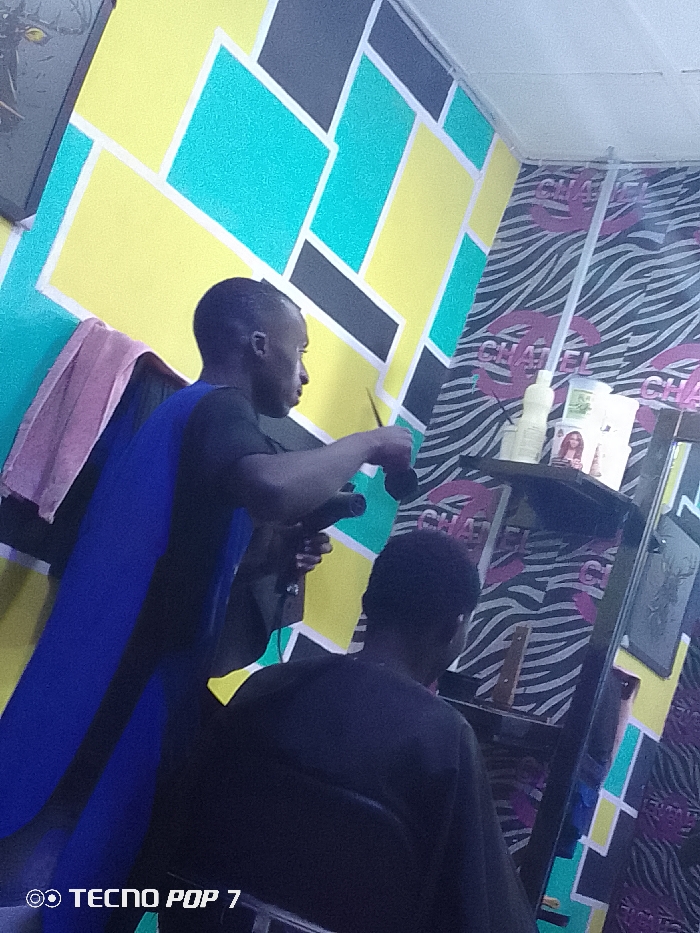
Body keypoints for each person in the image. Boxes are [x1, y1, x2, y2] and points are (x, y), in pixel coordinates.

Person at [0, 278, 412, 931]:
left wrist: (277, 556)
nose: (304, 373)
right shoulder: (221, 410)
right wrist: (369, 445)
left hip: (98, 678)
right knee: (68, 873)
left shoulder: (179, 416)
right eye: (300, 352)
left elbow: (182, 558)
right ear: (259, 345)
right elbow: (270, 487)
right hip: (124, 691)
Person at [159, 529, 537, 933]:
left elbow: (178, 831)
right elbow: (492, 916)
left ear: (367, 602)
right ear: (453, 629)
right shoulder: (445, 743)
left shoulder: (267, 688)